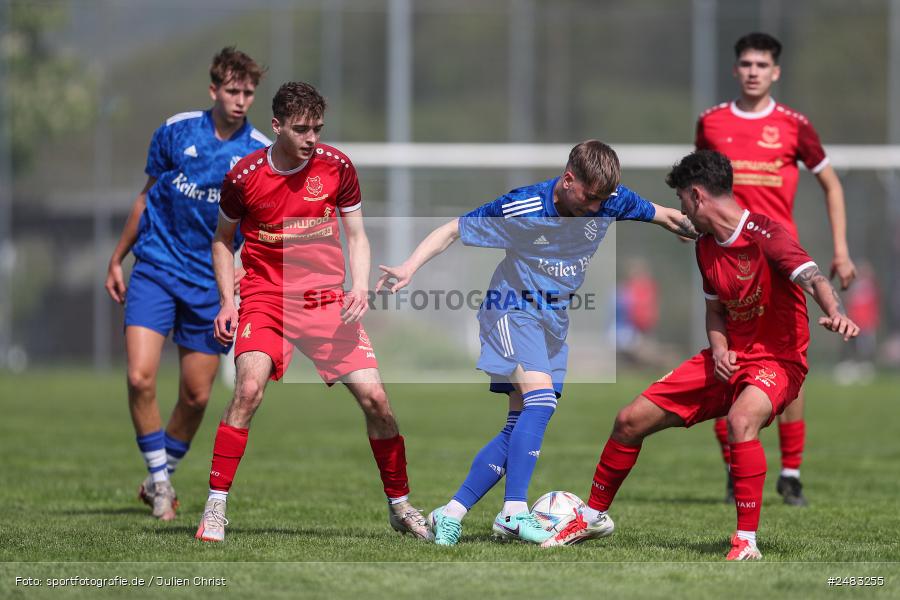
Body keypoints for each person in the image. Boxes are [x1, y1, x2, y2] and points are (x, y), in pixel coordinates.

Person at [376, 140, 697, 546]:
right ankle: (514, 512)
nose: (598, 208)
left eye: (604, 200)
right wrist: (408, 267)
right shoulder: (523, 207)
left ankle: (450, 512)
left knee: (517, 427)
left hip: (552, 320)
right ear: (568, 180)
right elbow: (453, 229)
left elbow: (668, 216)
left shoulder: (611, 199)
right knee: (540, 402)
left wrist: (709, 229)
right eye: (590, 197)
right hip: (511, 309)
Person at [541, 150, 858, 560]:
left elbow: (813, 279)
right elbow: (715, 310)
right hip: (727, 358)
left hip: (778, 362)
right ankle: (594, 516)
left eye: (681, 201)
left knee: (741, 421)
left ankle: (746, 542)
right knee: (629, 421)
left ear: (696, 197)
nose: (681, 210)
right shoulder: (706, 247)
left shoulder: (767, 235)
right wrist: (723, 349)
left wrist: (837, 314)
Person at [194, 81, 431, 543]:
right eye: (301, 129)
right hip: (265, 299)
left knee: (377, 401)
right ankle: (216, 508)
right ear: (276, 125)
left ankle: (400, 506)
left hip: (325, 302)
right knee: (247, 390)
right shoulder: (243, 177)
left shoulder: (337, 167)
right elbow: (222, 241)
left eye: (317, 129)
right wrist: (228, 300)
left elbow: (357, 236)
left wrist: (358, 287)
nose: (311, 139)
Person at [104, 47, 269, 521]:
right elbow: (145, 197)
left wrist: (239, 281)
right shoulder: (175, 131)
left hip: (209, 282)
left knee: (197, 396)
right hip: (155, 266)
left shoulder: (257, 151)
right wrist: (117, 259)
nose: (241, 100)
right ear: (214, 89)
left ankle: (162, 474)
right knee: (139, 375)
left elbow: (255, 225)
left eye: (249, 93)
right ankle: (159, 483)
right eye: (233, 91)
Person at [695, 32, 857, 506]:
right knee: (728, 357)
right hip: (728, 257)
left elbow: (831, 184)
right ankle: (735, 466)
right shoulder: (712, 123)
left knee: (785, 361)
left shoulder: (793, 126)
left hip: (780, 261)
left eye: (761, 65)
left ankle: (790, 473)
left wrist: (841, 251)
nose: (752, 71)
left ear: (775, 72)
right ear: (735, 69)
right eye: (745, 63)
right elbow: (696, 183)